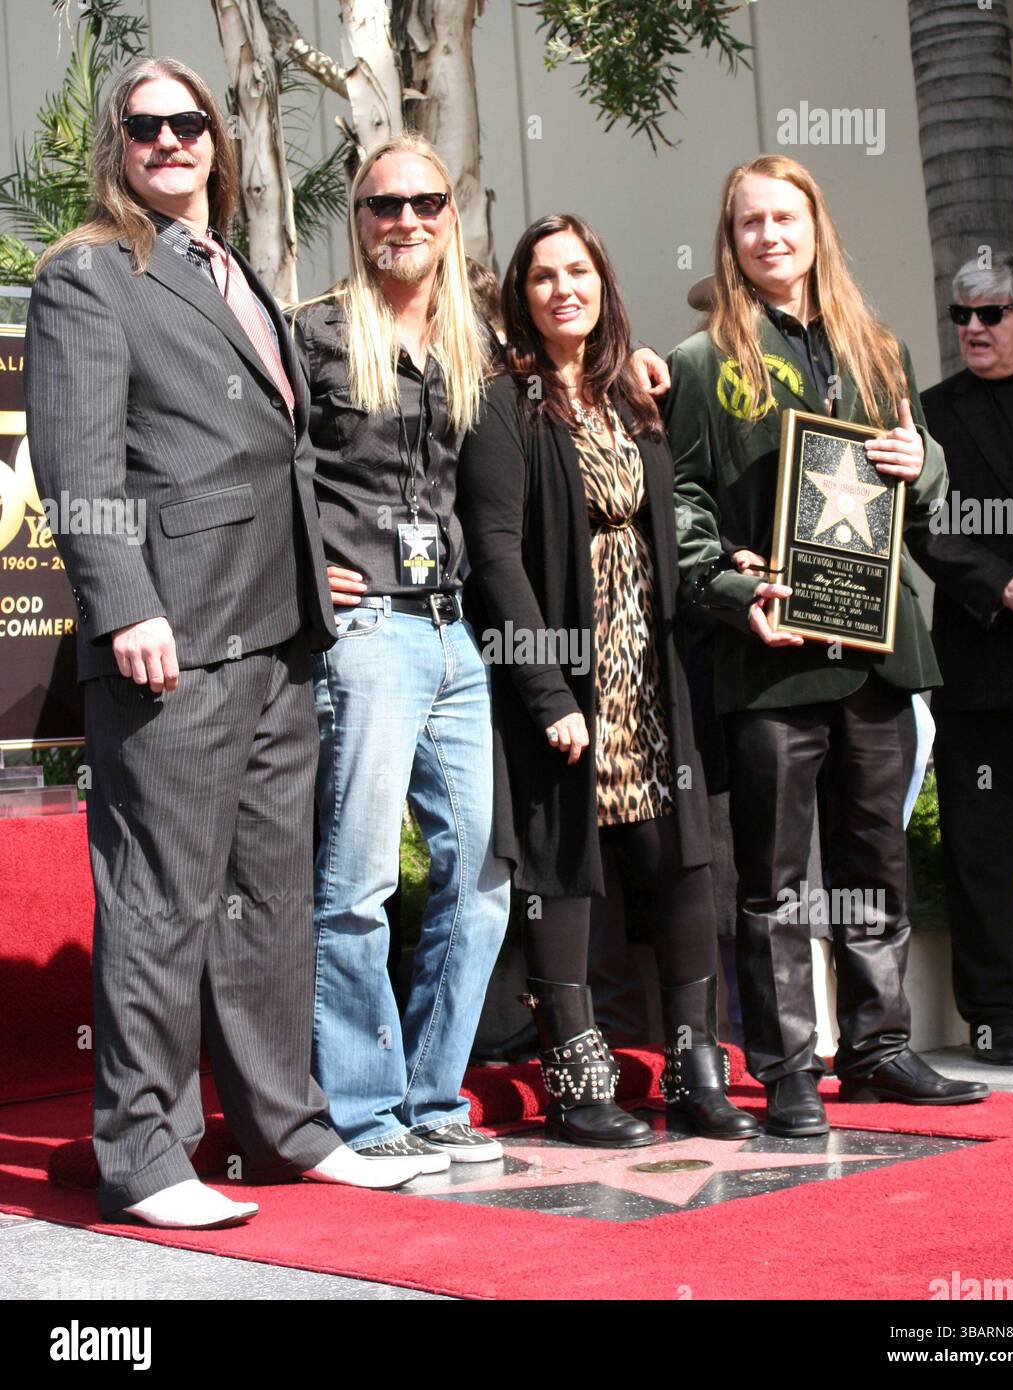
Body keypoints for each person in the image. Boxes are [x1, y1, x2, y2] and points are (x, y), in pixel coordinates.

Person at [24, 58, 426, 1229]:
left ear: (215, 138)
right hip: (175, 638)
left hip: (281, 632)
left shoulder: (235, 267)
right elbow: (78, 469)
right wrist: (125, 604)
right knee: (159, 902)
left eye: (189, 122)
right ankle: (145, 1156)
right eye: (146, 126)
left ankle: (282, 1125)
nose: (171, 141)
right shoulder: (91, 274)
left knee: (268, 894)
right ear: (118, 144)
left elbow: (279, 450)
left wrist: (316, 569)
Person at [664, 154, 989, 1137]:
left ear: (815, 229)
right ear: (732, 240)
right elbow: (675, 507)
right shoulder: (700, 361)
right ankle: (788, 1067)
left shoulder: (878, 346)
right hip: (770, 654)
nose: (769, 235)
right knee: (772, 877)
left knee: (874, 860)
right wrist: (730, 588)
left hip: (881, 649)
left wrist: (921, 461)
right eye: (749, 221)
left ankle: (882, 1047)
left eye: (785, 218)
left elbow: (925, 497)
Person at [459, 212, 762, 1147]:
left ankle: (695, 1072)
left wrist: (728, 572)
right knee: (563, 866)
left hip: (656, 666)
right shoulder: (504, 404)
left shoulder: (632, 396)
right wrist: (547, 691)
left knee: (681, 865)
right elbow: (498, 556)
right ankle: (576, 1080)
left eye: (579, 271)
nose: (563, 289)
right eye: (544, 275)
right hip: (567, 676)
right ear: (522, 295)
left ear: (603, 284)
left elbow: (670, 526)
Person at [290, 135, 512, 1172]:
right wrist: (297, 568)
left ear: (449, 213)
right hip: (368, 632)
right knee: (357, 883)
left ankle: (431, 1095)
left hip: (451, 627)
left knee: (478, 880)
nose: (405, 219)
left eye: (425, 200)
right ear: (359, 215)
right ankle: (364, 1111)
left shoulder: (471, 347)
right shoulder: (316, 335)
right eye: (385, 203)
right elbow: (256, 463)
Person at [908, 253, 1013, 1063]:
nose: (973, 327)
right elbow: (922, 527)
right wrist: (1009, 587)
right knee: (980, 841)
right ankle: (995, 1013)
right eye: (961, 316)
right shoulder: (930, 416)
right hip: (982, 650)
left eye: (992, 314)